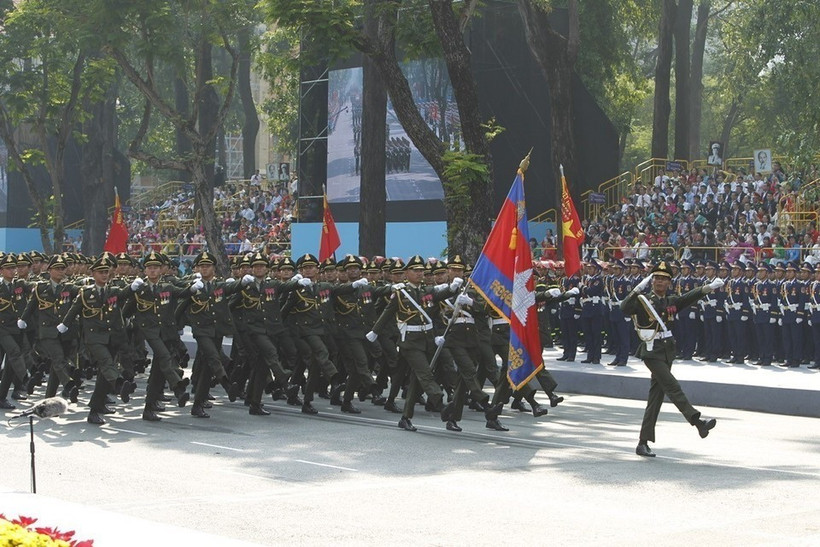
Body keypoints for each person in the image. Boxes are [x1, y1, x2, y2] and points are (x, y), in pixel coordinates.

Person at [620, 261, 723, 457]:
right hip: (651, 352)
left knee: (655, 399)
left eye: (664, 279)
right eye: (656, 278)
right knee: (673, 387)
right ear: (652, 281)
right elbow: (624, 308)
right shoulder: (643, 300)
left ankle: (642, 442)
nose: (659, 282)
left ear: (669, 282)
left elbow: (688, 297)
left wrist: (707, 288)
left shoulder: (670, 301)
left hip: (667, 351)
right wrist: (637, 289)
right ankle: (698, 422)